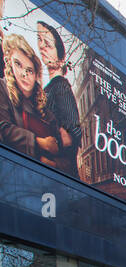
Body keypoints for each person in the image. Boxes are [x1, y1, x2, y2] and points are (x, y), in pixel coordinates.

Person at [2, 33, 67, 164]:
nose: (23, 74)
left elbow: (60, 150)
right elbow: (3, 129)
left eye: (29, 70)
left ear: (36, 74)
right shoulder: (2, 89)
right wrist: (40, 144)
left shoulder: (45, 110)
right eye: (18, 64)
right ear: (9, 63)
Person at [35, 22, 79, 178]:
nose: (42, 47)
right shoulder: (48, 88)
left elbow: (73, 134)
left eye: (47, 44)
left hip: (59, 176)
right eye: (39, 40)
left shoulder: (60, 86)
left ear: (61, 58)